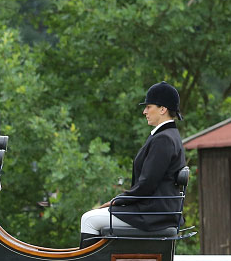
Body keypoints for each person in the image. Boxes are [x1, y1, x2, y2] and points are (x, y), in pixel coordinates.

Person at [80, 81, 186, 246]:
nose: (144, 111)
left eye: (148, 106)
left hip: (153, 214)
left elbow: (147, 183)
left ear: (163, 109)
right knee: (95, 216)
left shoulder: (163, 139)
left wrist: (118, 200)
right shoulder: (168, 135)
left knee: (88, 219)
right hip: (155, 210)